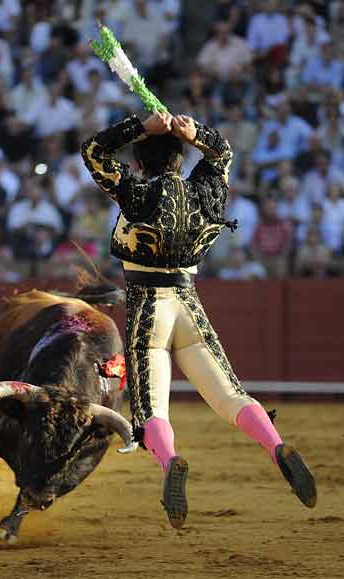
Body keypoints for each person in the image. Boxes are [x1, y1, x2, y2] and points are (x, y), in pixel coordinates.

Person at [81, 111, 317, 529]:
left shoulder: (136, 195)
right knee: (230, 395)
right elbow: (222, 153)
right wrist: (197, 134)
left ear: (139, 164)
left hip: (148, 310)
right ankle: (275, 445)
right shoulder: (207, 193)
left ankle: (170, 461)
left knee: (152, 410)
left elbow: (93, 151)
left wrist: (139, 126)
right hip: (190, 308)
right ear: (181, 158)